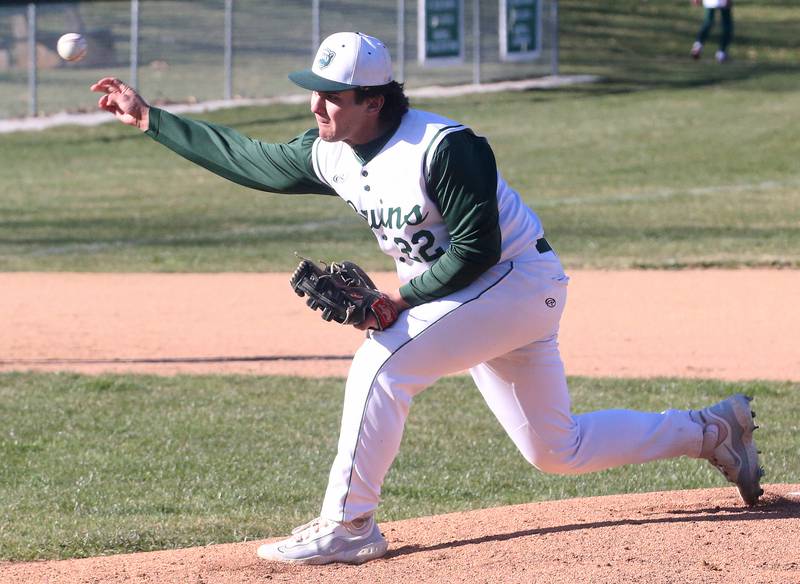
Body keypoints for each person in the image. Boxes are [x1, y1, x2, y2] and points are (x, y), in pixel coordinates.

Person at [91, 32, 763, 565]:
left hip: (517, 284)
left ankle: (350, 526)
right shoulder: (331, 150)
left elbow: (473, 251)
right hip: (478, 298)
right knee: (556, 449)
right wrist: (150, 118)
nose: (317, 106)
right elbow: (252, 160)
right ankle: (712, 431)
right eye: (315, 92)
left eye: (334, 95)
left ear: (376, 100)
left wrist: (398, 301)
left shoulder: (445, 148)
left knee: (383, 363)